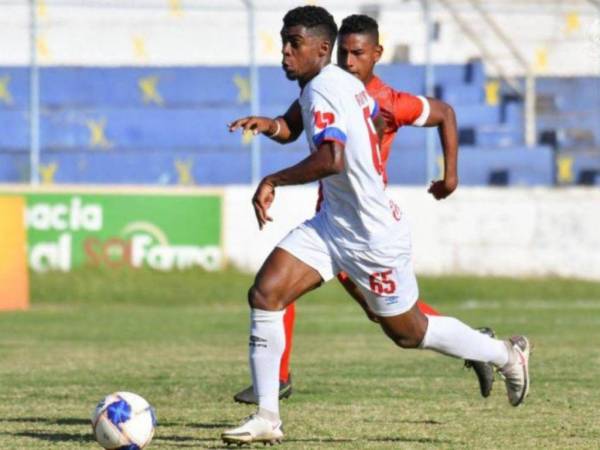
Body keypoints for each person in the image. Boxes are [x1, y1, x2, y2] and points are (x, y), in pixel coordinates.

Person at [222, 6, 530, 446]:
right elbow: (294, 125)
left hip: (372, 235)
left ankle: (504, 354)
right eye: (283, 42)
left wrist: (272, 179)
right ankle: (268, 415)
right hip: (332, 225)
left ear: (321, 48)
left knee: (408, 332)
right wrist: (269, 124)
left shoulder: (328, 89)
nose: (285, 52)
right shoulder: (328, 85)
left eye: (294, 44)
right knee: (266, 293)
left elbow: (332, 158)